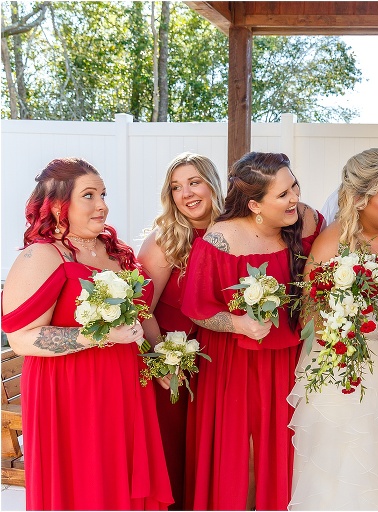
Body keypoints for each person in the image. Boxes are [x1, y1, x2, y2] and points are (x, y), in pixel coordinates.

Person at [1, 158, 173, 510]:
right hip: (71, 391)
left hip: (125, 386)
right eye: (90, 195)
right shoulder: (43, 255)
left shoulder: (115, 252)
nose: (103, 204)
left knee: (123, 481)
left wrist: (159, 361)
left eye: (103, 193)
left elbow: (143, 314)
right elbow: (20, 337)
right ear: (59, 205)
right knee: (88, 484)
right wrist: (96, 337)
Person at [288, 148, 378, 510]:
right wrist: (347, 322)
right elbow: (309, 318)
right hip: (345, 371)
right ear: (360, 199)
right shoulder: (331, 242)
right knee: (345, 468)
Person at [180, 152, 323, 510]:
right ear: (255, 204)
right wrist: (237, 322)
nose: (295, 198)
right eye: (283, 194)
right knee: (241, 456)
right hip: (233, 365)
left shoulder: (305, 221)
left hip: (286, 360)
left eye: (294, 187)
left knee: (283, 450)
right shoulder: (220, 240)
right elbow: (197, 307)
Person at [137, 152, 225, 510]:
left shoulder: (235, 233)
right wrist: (162, 360)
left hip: (222, 365)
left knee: (216, 453)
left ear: (212, 184)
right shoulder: (165, 240)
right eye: (176, 187)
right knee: (175, 450)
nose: (186, 193)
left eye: (194, 182)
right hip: (175, 367)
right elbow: (141, 306)